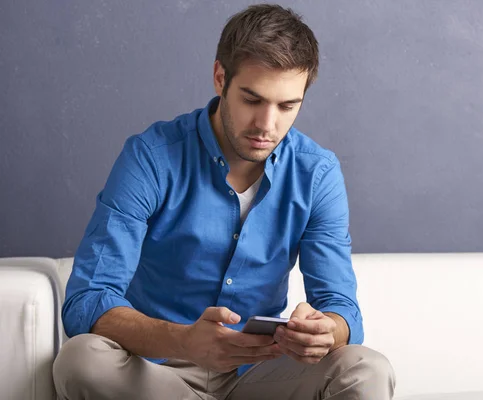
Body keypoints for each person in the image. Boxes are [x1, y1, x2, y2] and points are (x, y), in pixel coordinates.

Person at [53, 4, 396, 399]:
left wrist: (325, 330)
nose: (267, 126)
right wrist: (183, 341)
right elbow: (86, 301)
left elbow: (341, 308)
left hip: (261, 377)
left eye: (287, 106)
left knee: (367, 370)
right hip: (157, 372)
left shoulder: (317, 173)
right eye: (252, 100)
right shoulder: (151, 157)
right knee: (81, 360)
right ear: (220, 78)